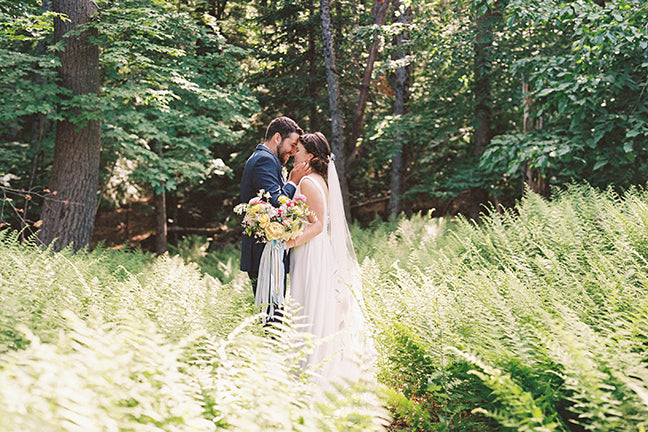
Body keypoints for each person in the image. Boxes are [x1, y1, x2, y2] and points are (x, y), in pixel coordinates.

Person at [285, 132, 371, 384]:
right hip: (312, 250)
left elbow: (318, 225)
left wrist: (287, 241)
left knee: (308, 305)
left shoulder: (308, 183)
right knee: (310, 304)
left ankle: (312, 373)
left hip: (310, 251)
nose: (293, 155)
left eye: (297, 151)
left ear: (309, 156)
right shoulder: (317, 180)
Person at [240, 116, 309, 295]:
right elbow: (277, 202)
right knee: (272, 315)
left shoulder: (266, 158)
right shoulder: (265, 160)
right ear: (277, 138)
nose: (294, 151)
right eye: (292, 145)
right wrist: (293, 181)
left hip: (267, 253)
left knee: (272, 314)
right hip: (264, 254)